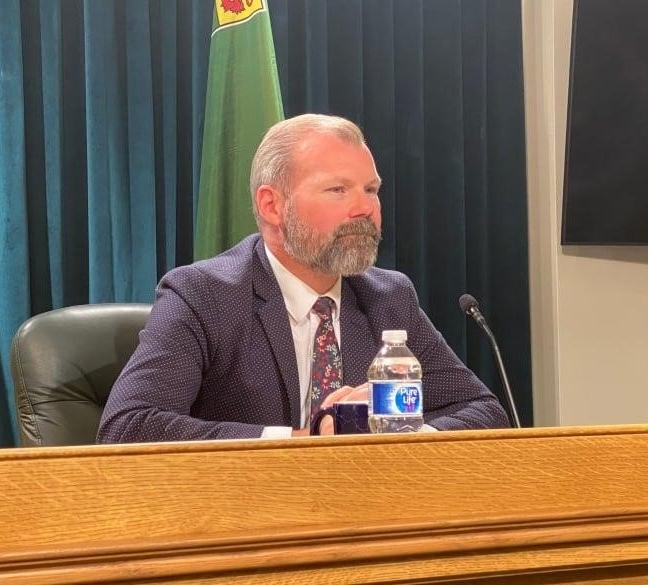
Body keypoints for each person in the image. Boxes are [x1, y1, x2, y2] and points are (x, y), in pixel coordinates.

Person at [97, 114, 508, 443]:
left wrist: (404, 434)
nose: (365, 208)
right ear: (272, 206)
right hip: (245, 524)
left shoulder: (387, 296)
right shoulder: (204, 295)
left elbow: (485, 412)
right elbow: (128, 426)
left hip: (366, 520)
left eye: (371, 189)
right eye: (337, 190)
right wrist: (300, 441)